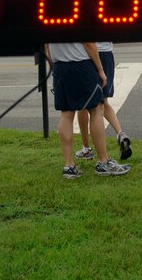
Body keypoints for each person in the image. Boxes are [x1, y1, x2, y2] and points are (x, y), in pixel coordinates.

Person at [47, 42, 130, 178]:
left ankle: (69, 166)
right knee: (97, 108)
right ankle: (103, 161)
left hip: (59, 66)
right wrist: (101, 70)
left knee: (66, 113)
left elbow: (47, 46)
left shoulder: (48, 20)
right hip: (81, 65)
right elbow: (89, 43)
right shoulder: (79, 20)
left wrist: (54, 67)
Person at [74, 41, 132, 161]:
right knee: (103, 102)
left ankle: (87, 148)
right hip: (107, 54)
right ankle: (120, 133)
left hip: (89, 55)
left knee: (84, 104)